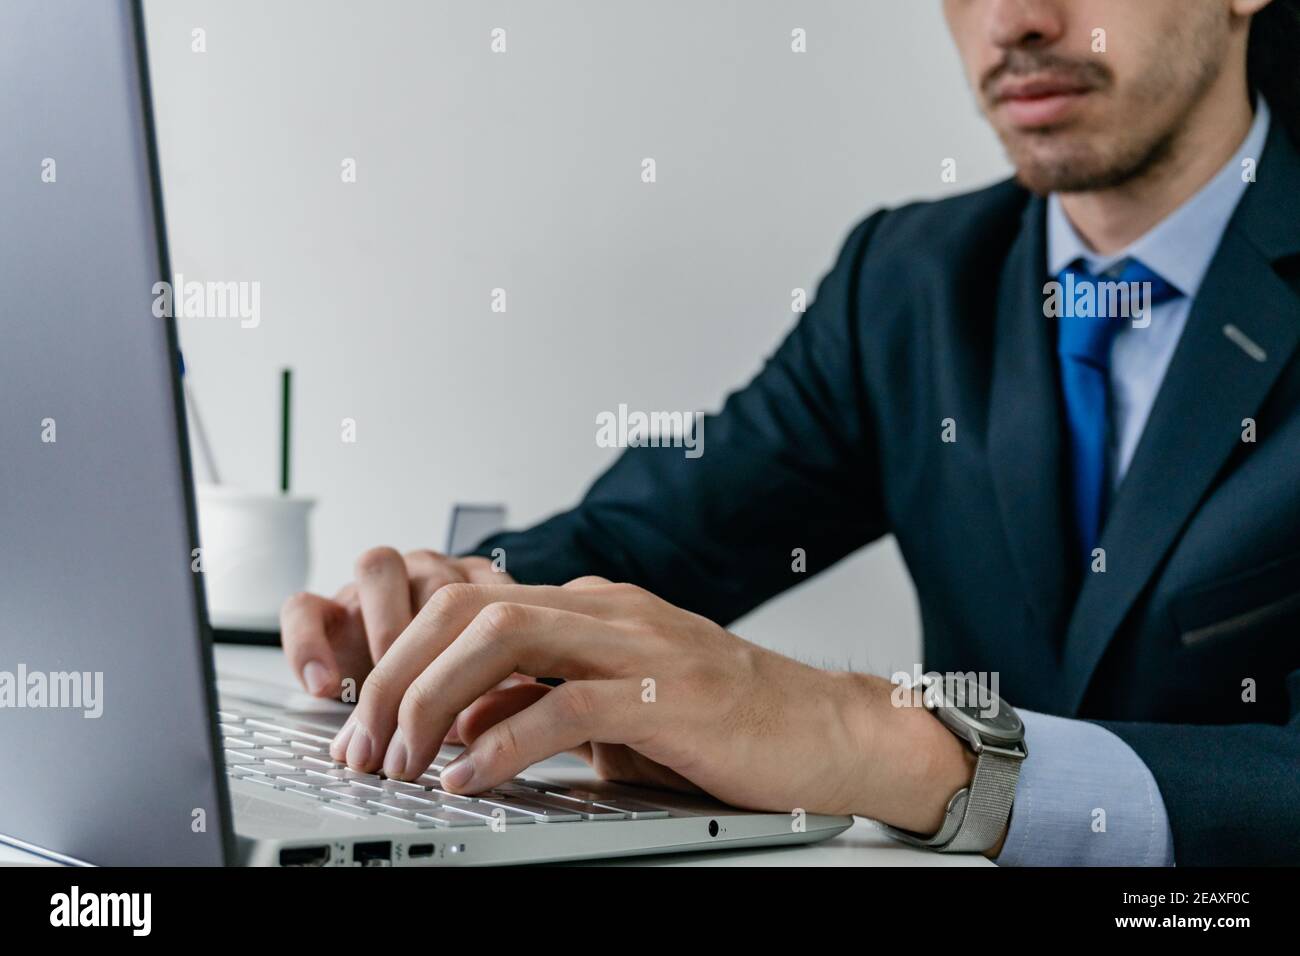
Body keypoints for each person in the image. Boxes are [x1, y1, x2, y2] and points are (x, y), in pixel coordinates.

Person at [280, 0, 1300, 865]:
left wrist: (874, 738)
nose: (1011, 21)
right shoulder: (910, 277)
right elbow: (664, 534)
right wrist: (458, 607)